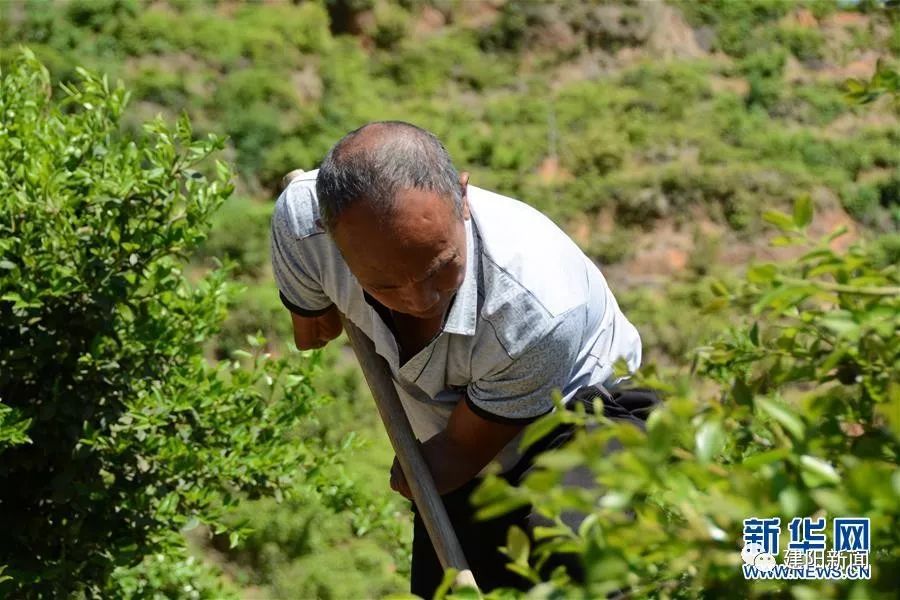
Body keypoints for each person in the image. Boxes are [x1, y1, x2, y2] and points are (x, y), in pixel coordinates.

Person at [270, 121, 657, 596]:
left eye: (440, 268)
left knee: (577, 558)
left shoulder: (537, 304)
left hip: (583, 407)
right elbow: (313, 335)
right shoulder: (302, 227)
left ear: (462, 194)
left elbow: (452, 457)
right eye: (386, 284)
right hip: (456, 422)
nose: (419, 299)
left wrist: (411, 473)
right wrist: (317, 284)